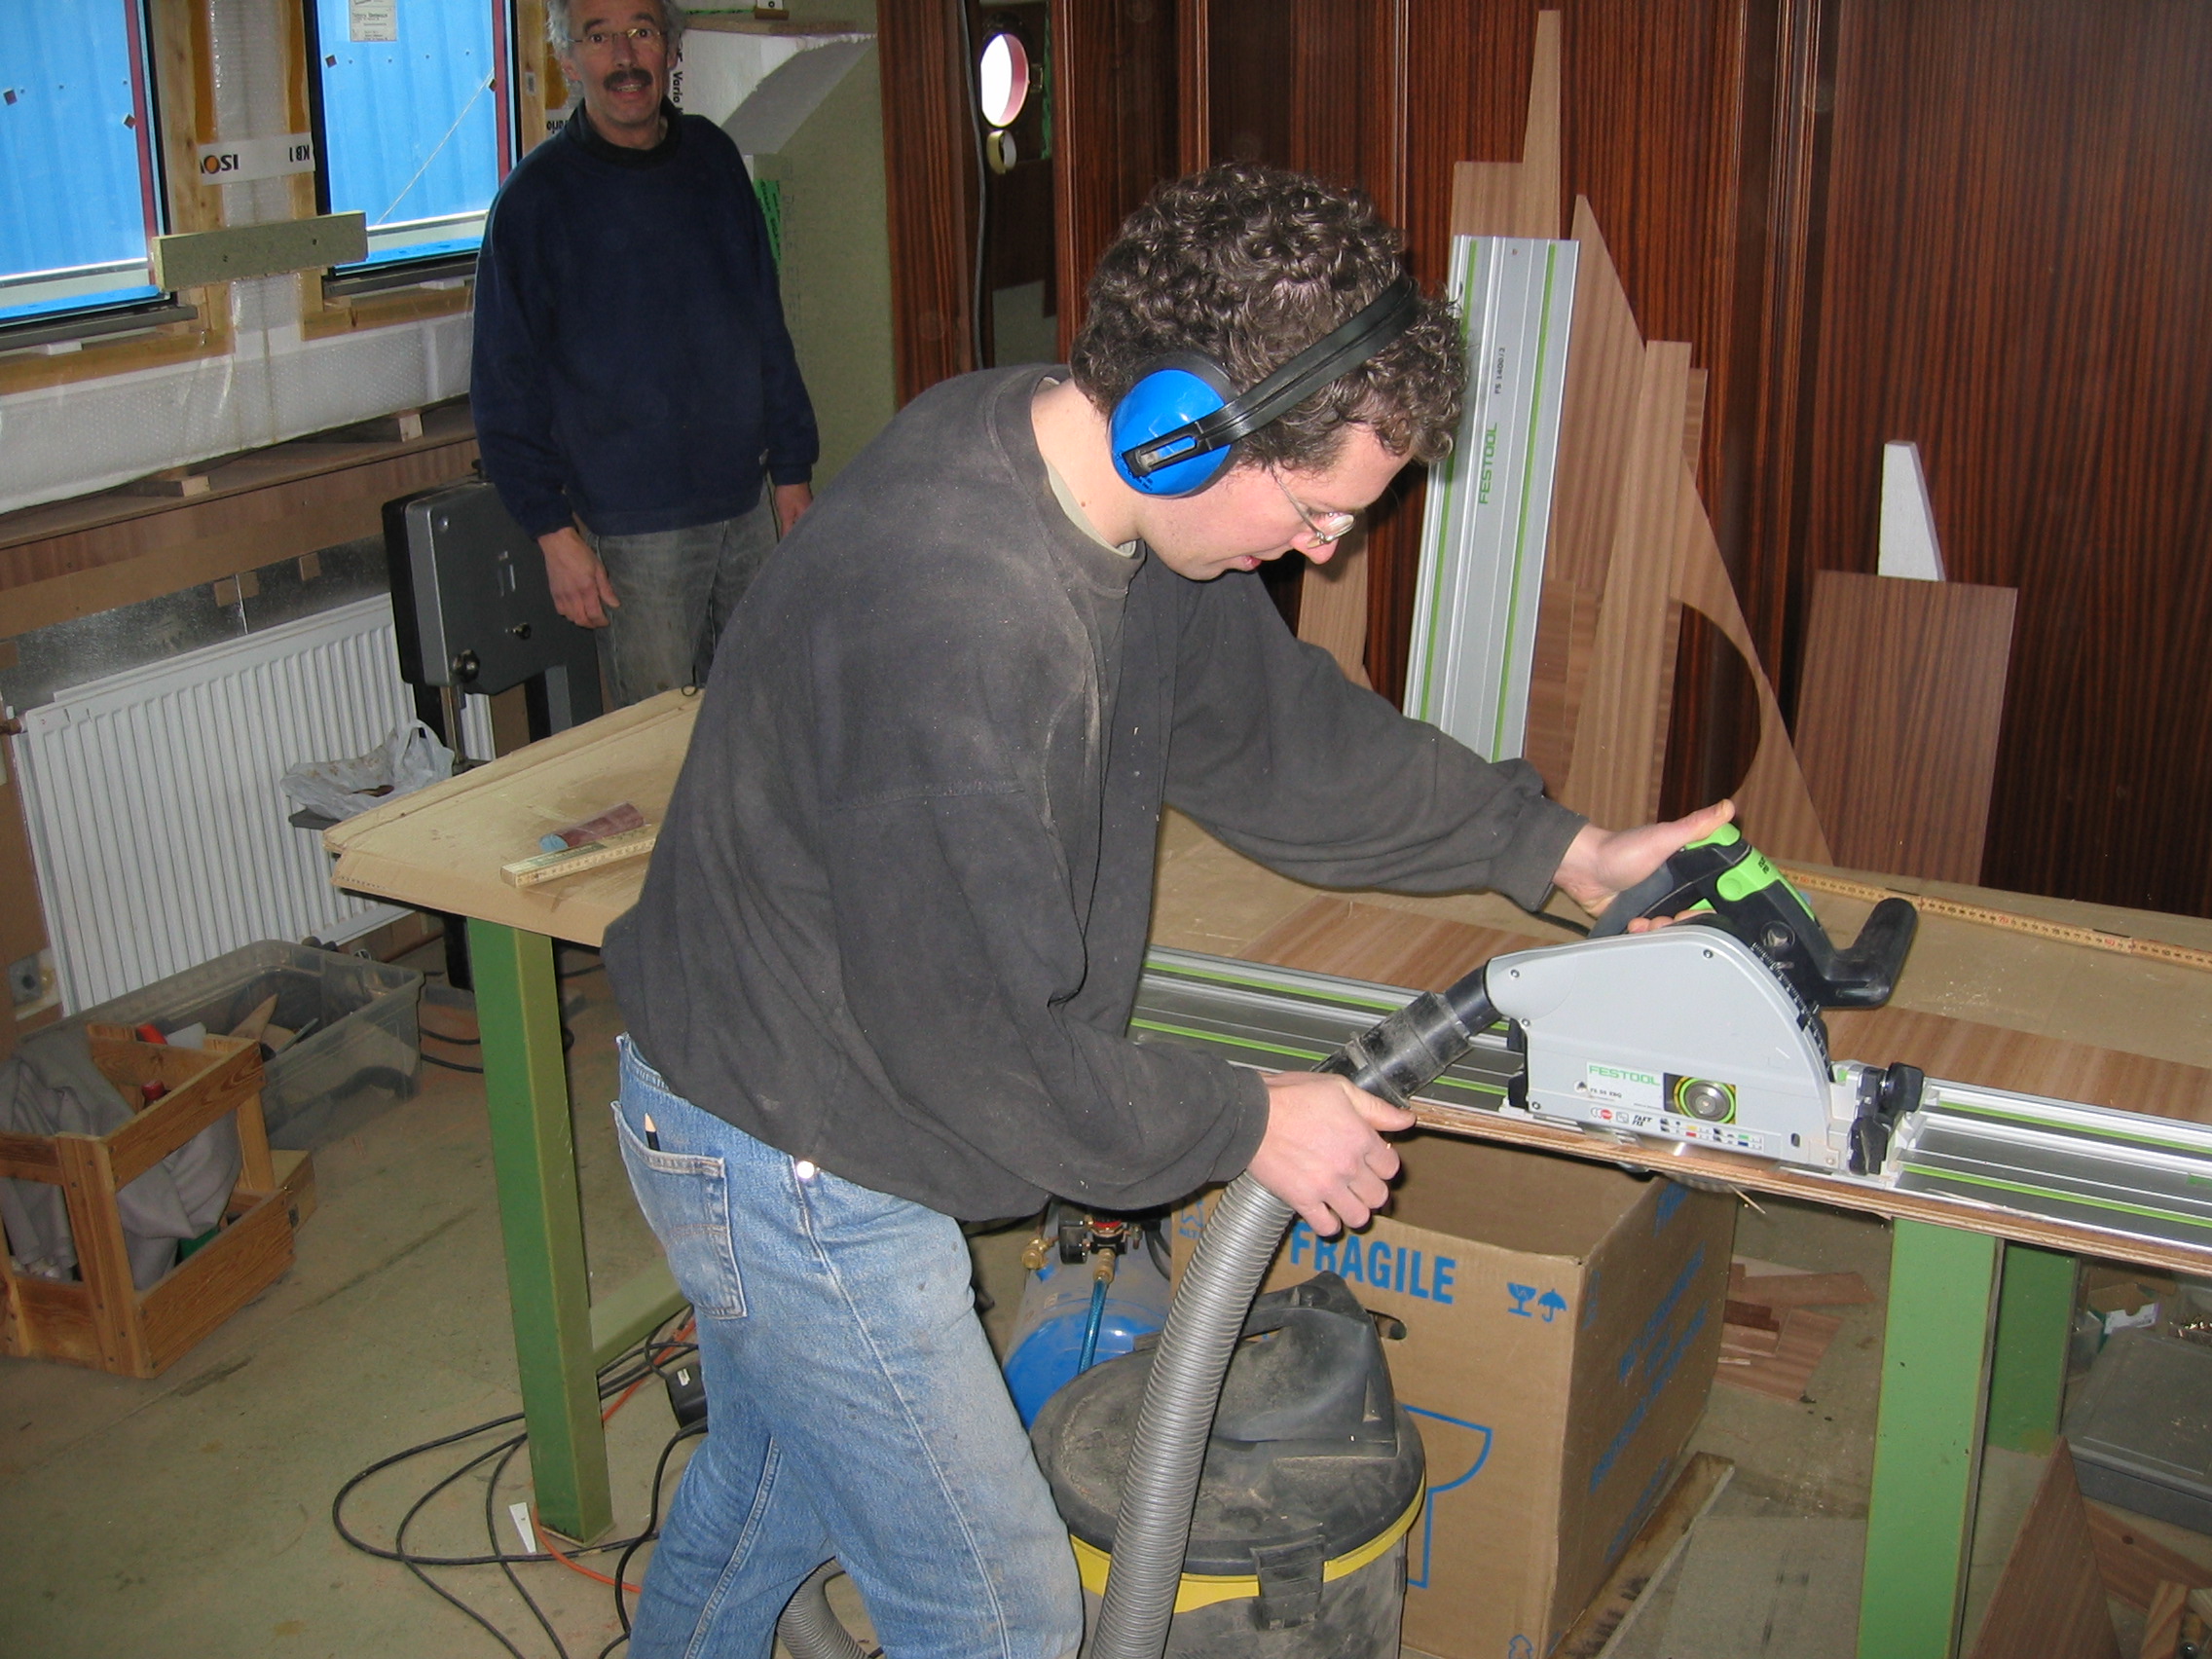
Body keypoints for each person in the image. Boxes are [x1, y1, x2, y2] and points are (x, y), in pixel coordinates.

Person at [600, 164, 1733, 1658]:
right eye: (1319, 511)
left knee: (772, 1494)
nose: (1328, 551)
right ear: (1183, 425)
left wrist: (1565, 850)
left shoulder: (1105, 490)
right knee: (1003, 1616)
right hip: (788, 1145)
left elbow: (1282, 744)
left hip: (792, 1074)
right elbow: (978, 1048)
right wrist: (1245, 1122)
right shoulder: (961, 612)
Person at [470, 0, 818, 706]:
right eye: (598, 37)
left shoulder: (713, 159)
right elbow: (504, 388)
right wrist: (553, 535)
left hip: (750, 506)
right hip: (636, 536)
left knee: (771, 719)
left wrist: (792, 473)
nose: (624, 57)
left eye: (641, 31)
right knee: (661, 743)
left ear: (671, 48)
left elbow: (764, 324)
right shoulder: (535, 201)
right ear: (569, 60)